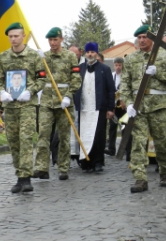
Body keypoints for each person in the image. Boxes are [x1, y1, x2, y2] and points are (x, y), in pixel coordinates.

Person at [119, 24, 166, 193]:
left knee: (162, 142)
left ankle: (165, 173)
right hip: (138, 107)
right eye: (139, 38)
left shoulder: (164, 55)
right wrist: (129, 102)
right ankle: (140, 179)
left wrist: (158, 72)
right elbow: (124, 84)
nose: (142, 40)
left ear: (151, 38)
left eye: (145, 37)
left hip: (159, 106)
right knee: (138, 143)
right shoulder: (130, 59)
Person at [0, 22, 44, 193]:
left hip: (27, 105)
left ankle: (26, 178)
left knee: (25, 139)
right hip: (10, 106)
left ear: (23, 36)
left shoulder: (34, 56)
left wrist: (31, 91)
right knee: (13, 140)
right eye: (11, 36)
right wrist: (1, 92)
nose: (13, 39)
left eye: (16, 36)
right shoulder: (4, 57)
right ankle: (19, 176)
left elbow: (42, 79)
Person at [33, 27, 81, 181]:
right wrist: (37, 61)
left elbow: (76, 79)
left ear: (61, 39)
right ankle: (41, 167)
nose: (52, 43)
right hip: (47, 101)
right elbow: (38, 78)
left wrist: (68, 96)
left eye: (55, 40)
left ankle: (63, 167)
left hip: (64, 102)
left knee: (64, 136)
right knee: (43, 134)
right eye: (50, 40)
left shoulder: (70, 57)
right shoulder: (44, 57)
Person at [73, 42, 115, 173]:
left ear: (96, 53)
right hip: (84, 108)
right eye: (88, 52)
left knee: (98, 136)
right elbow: (74, 86)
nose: (90, 54)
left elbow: (110, 90)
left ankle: (98, 162)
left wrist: (110, 108)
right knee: (84, 135)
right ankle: (85, 161)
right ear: (85, 54)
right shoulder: (80, 68)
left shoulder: (105, 69)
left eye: (92, 52)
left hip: (98, 108)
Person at [106, 57, 132, 160]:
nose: (118, 67)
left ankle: (125, 148)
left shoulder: (126, 76)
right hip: (114, 106)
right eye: (116, 65)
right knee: (112, 127)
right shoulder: (112, 76)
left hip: (124, 106)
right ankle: (111, 148)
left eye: (120, 65)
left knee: (125, 127)